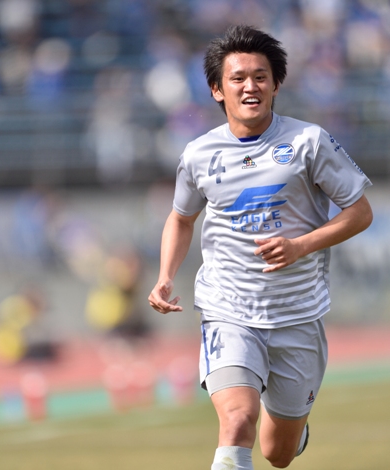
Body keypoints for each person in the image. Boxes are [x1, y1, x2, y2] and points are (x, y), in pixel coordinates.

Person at [147, 25, 373, 469]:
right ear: (217, 89)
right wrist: (165, 276)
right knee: (237, 422)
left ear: (276, 85)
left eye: (260, 76)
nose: (250, 86)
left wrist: (300, 246)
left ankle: (293, 428)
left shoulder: (308, 142)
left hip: (297, 313)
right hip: (228, 309)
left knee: (277, 454)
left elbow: (360, 212)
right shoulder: (198, 154)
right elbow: (181, 218)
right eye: (238, 78)